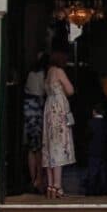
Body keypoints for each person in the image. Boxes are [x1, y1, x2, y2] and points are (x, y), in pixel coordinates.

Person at [41, 49, 75, 198]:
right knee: (58, 147)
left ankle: (50, 186)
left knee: (49, 147)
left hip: (49, 108)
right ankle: (57, 186)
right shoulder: (59, 71)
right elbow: (70, 90)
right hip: (58, 110)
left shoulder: (48, 72)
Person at [21, 62, 47, 191]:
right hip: (37, 112)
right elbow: (44, 90)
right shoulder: (42, 75)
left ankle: (33, 179)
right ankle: (39, 179)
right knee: (39, 148)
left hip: (28, 112)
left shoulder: (30, 74)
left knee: (31, 149)